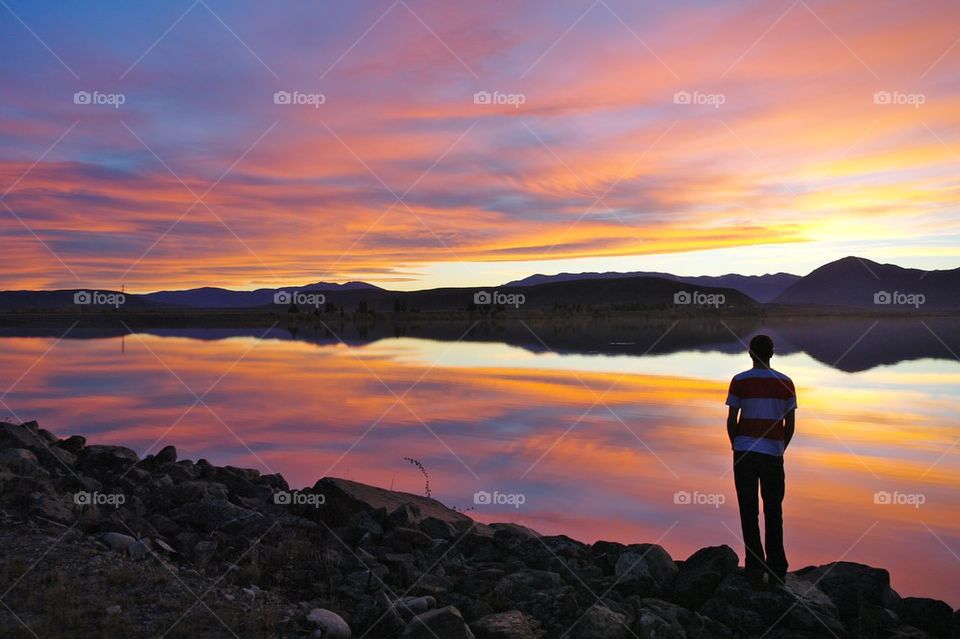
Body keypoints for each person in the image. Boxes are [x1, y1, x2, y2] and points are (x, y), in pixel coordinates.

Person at [725, 334, 796, 586]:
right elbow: (790, 425)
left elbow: (731, 421)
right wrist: (779, 449)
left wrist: (737, 446)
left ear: (750, 353)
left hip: (745, 453)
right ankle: (777, 569)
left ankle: (754, 567)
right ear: (772, 353)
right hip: (773, 455)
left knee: (748, 511)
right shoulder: (786, 382)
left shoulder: (739, 381)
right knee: (774, 510)